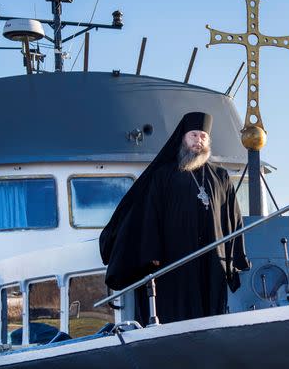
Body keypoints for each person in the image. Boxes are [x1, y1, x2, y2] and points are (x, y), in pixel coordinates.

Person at [99, 111, 250, 324]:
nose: (199, 141)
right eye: (194, 136)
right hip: (174, 258)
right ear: (183, 138)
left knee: (212, 311)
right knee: (177, 308)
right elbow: (150, 215)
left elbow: (232, 217)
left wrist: (235, 256)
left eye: (203, 136)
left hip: (212, 258)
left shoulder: (221, 176)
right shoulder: (164, 175)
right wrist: (152, 253)